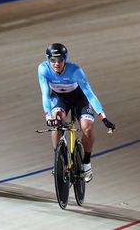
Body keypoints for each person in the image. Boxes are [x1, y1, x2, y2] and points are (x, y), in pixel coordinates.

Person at [38, 43, 116, 182]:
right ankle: (58, 159)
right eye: (53, 60)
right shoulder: (43, 69)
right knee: (56, 122)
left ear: (65, 59)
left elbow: (90, 94)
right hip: (59, 99)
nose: (56, 64)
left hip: (80, 99)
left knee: (88, 129)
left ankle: (86, 163)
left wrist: (103, 118)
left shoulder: (75, 70)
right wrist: (48, 116)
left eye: (60, 60)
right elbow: (45, 94)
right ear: (47, 59)